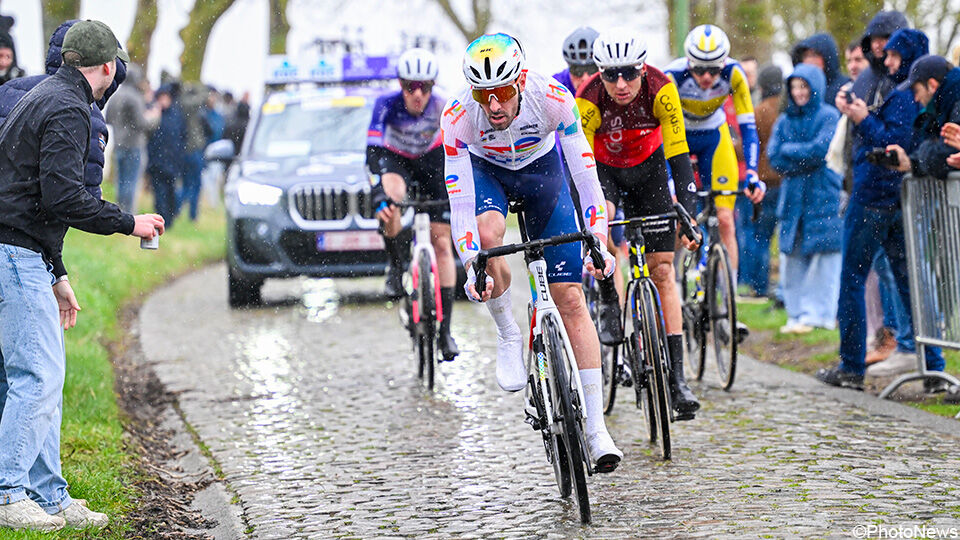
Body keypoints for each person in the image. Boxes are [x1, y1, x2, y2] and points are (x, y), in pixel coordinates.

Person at [0, 20, 164, 531]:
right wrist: (129, 222)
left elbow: (29, 194)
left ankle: (47, 495)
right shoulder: (71, 109)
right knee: (38, 378)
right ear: (108, 66)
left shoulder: (45, 94)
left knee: (38, 377)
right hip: (13, 254)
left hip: (22, 253)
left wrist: (56, 272)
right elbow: (63, 198)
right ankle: (7, 493)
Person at [442, 33, 623, 470]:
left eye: (503, 92)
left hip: (544, 176)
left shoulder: (554, 98)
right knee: (488, 235)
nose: (495, 106)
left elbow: (585, 177)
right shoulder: (458, 116)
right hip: (489, 176)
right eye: (484, 95)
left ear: (521, 81)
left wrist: (596, 236)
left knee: (572, 299)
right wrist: (472, 265)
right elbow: (461, 201)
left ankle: (597, 430)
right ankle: (507, 331)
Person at [575, 28, 702, 419]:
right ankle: (610, 299)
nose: (621, 84)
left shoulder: (662, 89)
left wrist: (688, 210)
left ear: (642, 68)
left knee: (664, 270)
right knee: (605, 222)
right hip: (606, 174)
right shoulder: (589, 98)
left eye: (629, 73)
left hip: (649, 173)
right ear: (600, 73)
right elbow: (579, 165)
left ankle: (678, 380)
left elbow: (679, 153)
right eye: (611, 75)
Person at [818, 27, 945, 389]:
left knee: (854, 281)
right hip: (895, 200)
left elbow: (896, 144)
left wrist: (863, 119)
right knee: (909, 285)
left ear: (908, 57)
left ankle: (852, 367)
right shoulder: (907, 92)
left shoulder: (904, 95)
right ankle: (933, 366)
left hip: (875, 197)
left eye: (892, 55)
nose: (886, 61)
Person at [367, 47, 460, 361]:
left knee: (443, 244)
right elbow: (372, 151)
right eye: (410, 86)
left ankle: (445, 330)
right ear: (400, 84)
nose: (417, 94)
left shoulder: (444, 106)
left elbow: (459, 150)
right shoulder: (385, 105)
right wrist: (379, 191)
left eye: (425, 87)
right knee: (391, 199)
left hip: (433, 162)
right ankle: (395, 266)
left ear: (433, 86)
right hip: (398, 160)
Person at [665, 25, 766, 296]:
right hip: (680, 137)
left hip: (714, 136)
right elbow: (659, 132)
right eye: (699, 69)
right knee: (680, 217)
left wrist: (753, 172)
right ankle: (672, 281)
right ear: (689, 63)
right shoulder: (672, 76)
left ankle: (729, 297)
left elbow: (748, 128)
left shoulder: (734, 73)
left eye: (714, 70)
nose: (707, 76)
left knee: (725, 219)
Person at [0, 21, 128, 206]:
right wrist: (128, 223)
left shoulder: (9, 90)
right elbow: (79, 199)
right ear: (108, 68)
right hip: (24, 226)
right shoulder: (80, 112)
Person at [767, 64, 842, 333]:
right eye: (795, 87)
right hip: (793, 199)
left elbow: (821, 151)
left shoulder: (829, 115)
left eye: (804, 87)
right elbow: (774, 157)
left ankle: (820, 314)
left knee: (825, 256)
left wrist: (791, 152)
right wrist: (803, 157)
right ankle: (796, 314)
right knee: (793, 256)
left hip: (822, 194)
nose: (799, 93)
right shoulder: (784, 120)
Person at [737, 65, 783, 299]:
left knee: (758, 237)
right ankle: (777, 287)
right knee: (781, 237)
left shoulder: (759, 112)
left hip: (763, 184)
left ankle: (759, 285)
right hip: (783, 182)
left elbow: (746, 147)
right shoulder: (786, 111)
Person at [106, 62, 160, 212]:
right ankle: (128, 213)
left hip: (118, 142)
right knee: (131, 181)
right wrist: (154, 116)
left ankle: (119, 210)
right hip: (134, 144)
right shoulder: (135, 97)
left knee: (120, 181)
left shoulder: (116, 95)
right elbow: (142, 123)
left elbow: (108, 119)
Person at [147, 84, 186, 226]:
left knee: (170, 192)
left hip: (172, 162)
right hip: (157, 162)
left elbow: (182, 138)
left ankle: (169, 219)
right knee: (159, 194)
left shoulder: (177, 115)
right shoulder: (154, 114)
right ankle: (161, 219)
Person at [791, 33, 851, 107]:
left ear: (827, 57)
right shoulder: (796, 91)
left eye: (814, 55)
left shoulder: (846, 87)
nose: (809, 61)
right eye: (805, 56)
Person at [553, 27, 599, 94]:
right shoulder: (555, 86)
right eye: (577, 70)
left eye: (592, 69)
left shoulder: (614, 84)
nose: (585, 78)